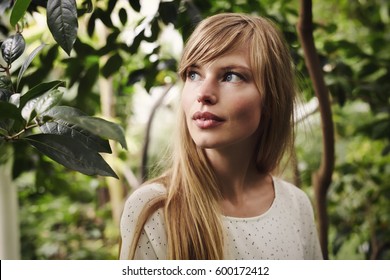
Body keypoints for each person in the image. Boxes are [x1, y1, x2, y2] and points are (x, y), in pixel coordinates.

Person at [119, 12, 323, 260]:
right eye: (193, 74)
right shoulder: (153, 208)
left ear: (271, 98)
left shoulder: (296, 205)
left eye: (231, 76)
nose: (203, 93)